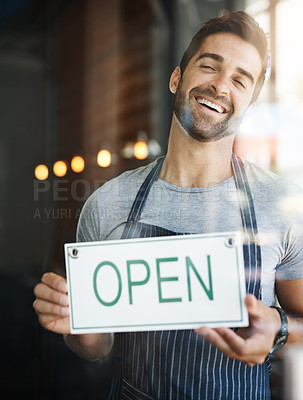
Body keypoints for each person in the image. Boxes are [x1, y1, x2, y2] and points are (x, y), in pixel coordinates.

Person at [33, 11, 303, 399]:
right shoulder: (107, 205)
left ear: (248, 105)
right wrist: (76, 324)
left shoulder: (282, 206)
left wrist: (278, 330)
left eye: (240, 80)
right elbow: (97, 347)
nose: (220, 85)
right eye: (210, 65)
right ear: (177, 78)